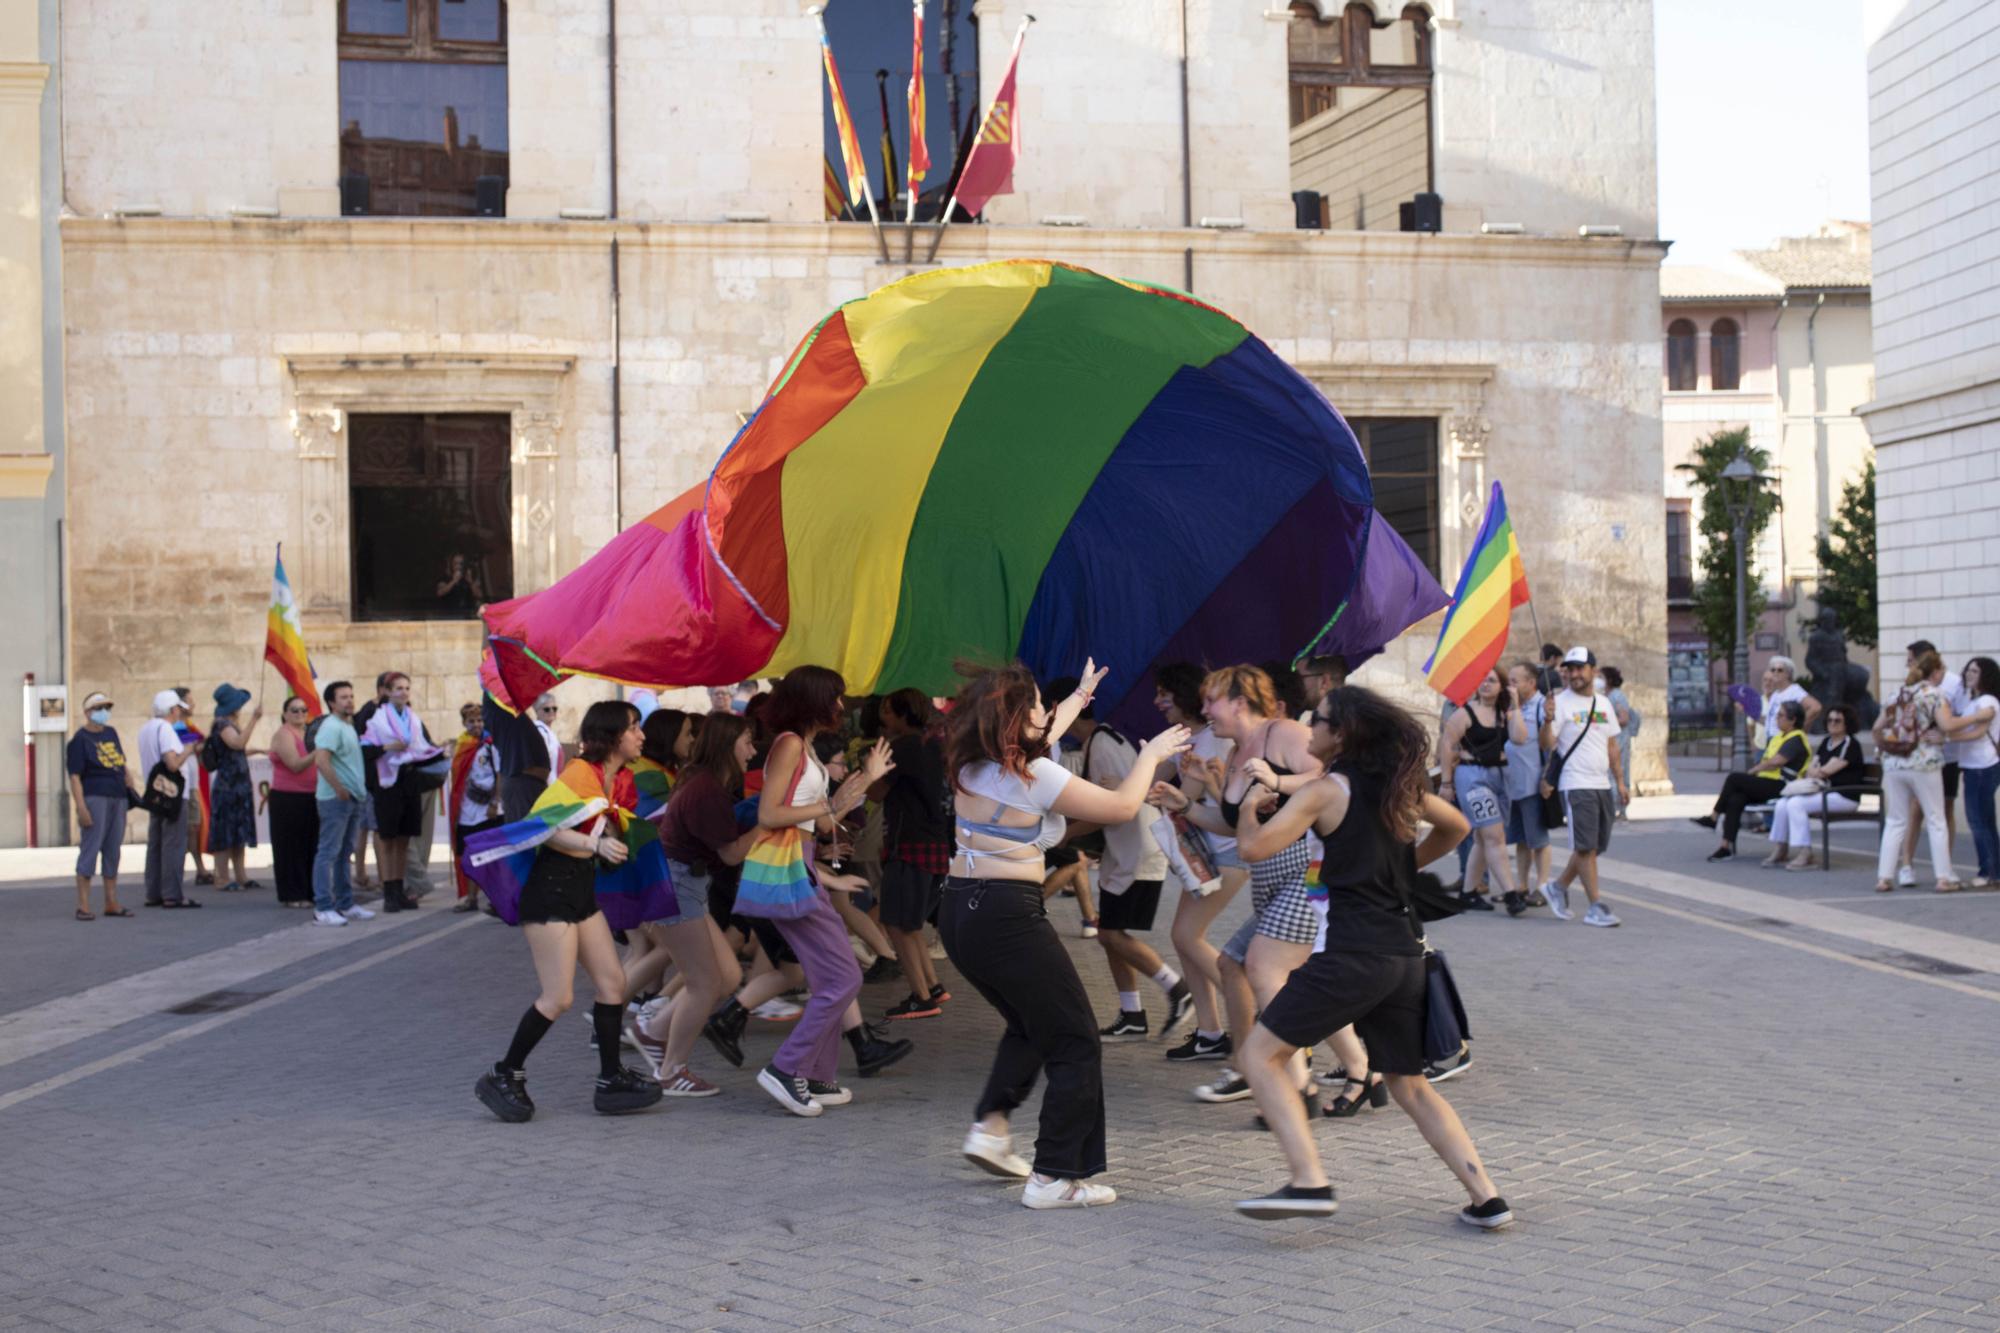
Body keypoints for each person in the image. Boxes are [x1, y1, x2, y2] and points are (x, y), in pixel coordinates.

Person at [1230, 685, 1511, 1230]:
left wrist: (1248, 809)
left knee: (1258, 1056)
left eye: (1320, 720)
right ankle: (1488, 1197)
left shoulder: (1323, 791)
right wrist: (1405, 871)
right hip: (1404, 955)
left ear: (1343, 733)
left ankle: (1309, 1180)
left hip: (1351, 955)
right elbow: (1457, 826)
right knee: (1408, 1083)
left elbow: (1252, 849)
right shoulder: (1400, 788)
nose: (1310, 727)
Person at [941, 659, 1190, 1209]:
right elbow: (1123, 807)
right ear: (1015, 720)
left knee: (1032, 1025)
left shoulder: (974, 764)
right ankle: (1055, 1175)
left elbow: (1045, 732)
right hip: (1006, 916)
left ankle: (991, 1126)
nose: (1043, 713)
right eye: (1034, 704)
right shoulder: (1036, 777)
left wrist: (1078, 696)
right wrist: (1149, 756)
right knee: (1076, 1037)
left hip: (961, 913)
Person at [472, 701, 666, 1122]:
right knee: (558, 997)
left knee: (613, 984)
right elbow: (545, 828)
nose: (641, 736)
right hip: (550, 894)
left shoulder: (616, 779)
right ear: (614, 735)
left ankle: (610, 1079)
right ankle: (503, 1074)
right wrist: (595, 845)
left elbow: (605, 825)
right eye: (635, 728)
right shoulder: (580, 773)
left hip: (580, 893)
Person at [1149, 666, 1328, 1110]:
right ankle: (1261, 1066)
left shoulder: (1282, 733)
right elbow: (1229, 826)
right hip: (1269, 877)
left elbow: (1327, 776)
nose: (1204, 709)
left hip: (1308, 872)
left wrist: (1277, 780)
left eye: (1211, 700)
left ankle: (1296, 1085)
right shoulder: (1234, 753)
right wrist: (1185, 804)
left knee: (1265, 971)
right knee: (1233, 965)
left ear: (1240, 701)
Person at [750, 666, 899, 1117]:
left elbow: (820, 816)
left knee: (833, 974)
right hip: (786, 869)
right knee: (844, 977)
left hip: (801, 866)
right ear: (813, 699)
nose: (840, 706)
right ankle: (786, 1068)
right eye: (834, 697)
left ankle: (816, 1074)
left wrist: (865, 779)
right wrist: (841, 799)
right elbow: (770, 812)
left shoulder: (804, 747)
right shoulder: (790, 744)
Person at [1048, 674, 1193, 1044]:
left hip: (1137, 854)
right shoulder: (1101, 740)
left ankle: (1176, 988)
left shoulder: (1104, 745)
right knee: (1109, 935)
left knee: (1112, 933)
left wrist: (1065, 833)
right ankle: (1132, 1014)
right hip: (1125, 853)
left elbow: (1116, 808)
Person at [643, 712, 760, 1095]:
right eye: (747, 741)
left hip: (683, 886)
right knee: (705, 983)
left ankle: (654, 1034)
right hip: (677, 887)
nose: (752, 750)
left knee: (726, 977)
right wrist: (770, 822)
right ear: (728, 745)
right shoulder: (706, 788)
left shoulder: (704, 780)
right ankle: (671, 1071)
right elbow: (730, 854)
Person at [1153, 662, 1249, 1063]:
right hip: (1206, 857)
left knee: (1189, 936)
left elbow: (1178, 794)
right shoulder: (1193, 739)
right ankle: (1210, 1033)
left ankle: (1254, 1011)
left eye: (1164, 694)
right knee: (1182, 936)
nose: (1158, 702)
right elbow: (1149, 780)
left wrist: (1150, 782)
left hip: (1226, 857)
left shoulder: (1210, 742)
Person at [874, 688, 953, 1021]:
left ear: (905, 714)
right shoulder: (935, 744)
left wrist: (871, 768)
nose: (884, 717)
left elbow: (877, 792)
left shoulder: (903, 747)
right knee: (911, 923)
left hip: (910, 844)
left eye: (889, 712)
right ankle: (932, 986)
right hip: (936, 843)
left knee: (896, 922)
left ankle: (921, 997)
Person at [1539, 646, 1628, 927]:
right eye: (1570, 669)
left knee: (1593, 847)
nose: (1575, 674)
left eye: (1580, 668)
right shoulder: (1560, 703)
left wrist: (1621, 781)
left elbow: (1612, 745)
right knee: (1586, 847)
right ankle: (1595, 907)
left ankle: (1558, 887)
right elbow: (1547, 745)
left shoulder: (1603, 704)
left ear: (1593, 670)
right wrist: (1548, 719)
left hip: (1602, 784)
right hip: (1576, 784)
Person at [1876, 650, 1970, 893]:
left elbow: (1878, 727)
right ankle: (1943, 878)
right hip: (1924, 762)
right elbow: (1948, 724)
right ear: (1936, 672)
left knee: (1895, 820)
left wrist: (1885, 747)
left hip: (1895, 763)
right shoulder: (1933, 694)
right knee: (1936, 819)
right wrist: (1975, 717)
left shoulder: (1896, 693)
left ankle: (1884, 877)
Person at [1439, 668, 1529, 910]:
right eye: (1482, 680)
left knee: (1482, 837)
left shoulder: (1504, 714)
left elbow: (1520, 738)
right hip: (1473, 777)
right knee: (1494, 836)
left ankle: (1468, 893)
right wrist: (1446, 783)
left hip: (1500, 776)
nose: (1486, 684)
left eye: (1492, 680)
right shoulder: (1465, 713)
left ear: (1501, 685)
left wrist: (1515, 706)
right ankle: (1511, 895)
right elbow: (1447, 744)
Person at [360, 672, 442, 913]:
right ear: (386, 691)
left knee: (404, 839)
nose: (404, 692)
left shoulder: (413, 718)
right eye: (398, 688)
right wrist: (387, 747)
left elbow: (422, 745)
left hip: (409, 781)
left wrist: (436, 753)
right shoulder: (376, 718)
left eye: (407, 688)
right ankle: (389, 892)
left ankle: (399, 888)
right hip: (387, 783)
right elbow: (364, 748)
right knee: (388, 840)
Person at [1693, 700, 1810, 862]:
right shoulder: (1779, 737)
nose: (1777, 718)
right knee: (1736, 799)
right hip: (1767, 783)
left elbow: (1778, 761)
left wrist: (1756, 769)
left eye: (1781, 715)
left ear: (1793, 720)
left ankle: (1714, 817)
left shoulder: (1796, 738)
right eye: (1777, 715)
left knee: (1734, 778)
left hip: (1782, 785)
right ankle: (1725, 846)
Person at [1764, 704, 1867, 870]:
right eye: (1830, 720)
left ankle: (1805, 852)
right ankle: (1780, 847)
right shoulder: (1826, 741)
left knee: (1796, 804)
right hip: (1825, 792)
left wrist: (1818, 771)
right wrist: (1817, 771)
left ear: (1847, 723)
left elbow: (1826, 771)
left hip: (1844, 796)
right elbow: (1811, 769)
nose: (1832, 723)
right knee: (1783, 804)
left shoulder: (1850, 744)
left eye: (1837, 720)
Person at [66, 691, 139, 919]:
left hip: (117, 795)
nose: (103, 713)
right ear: (87, 712)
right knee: (90, 847)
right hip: (95, 796)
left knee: (113, 848)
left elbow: (120, 760)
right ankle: (83, 905)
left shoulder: (111, 733)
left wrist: (129, 779)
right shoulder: (79, 741)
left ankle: (111, 901)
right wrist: (81, 807)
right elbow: (75, 777)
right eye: (98, 708)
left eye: (106, 708)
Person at [310, 681, 376, 927]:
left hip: (353, 798)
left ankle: (345, 903)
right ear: (331, 703)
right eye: (343, 697)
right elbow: (322, 760)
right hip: (335, 800)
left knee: (344, 853)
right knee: (328, 852)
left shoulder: (347, 726)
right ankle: (323, 907)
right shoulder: (330, 727)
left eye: (351, 695)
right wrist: (338, 788)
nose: (349, 700)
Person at [139, 688, 201, 909]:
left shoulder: (146, 728)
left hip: (155, 794)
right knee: (173, 843)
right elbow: (172, 763)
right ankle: (172, 894)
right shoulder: (165, 729)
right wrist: (189, 750)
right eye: (178, 709)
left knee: (156, 844)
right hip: (173, 795)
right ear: (173, 709)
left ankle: (153, 892)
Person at [1502, 662, 1552, 911]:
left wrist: (1548, 777)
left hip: (1534, 783)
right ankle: (1521, 884)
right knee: (1521, 839)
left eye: (1515, 681)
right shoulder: (1516, 707)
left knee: (1538, 840)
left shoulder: (1542, 706)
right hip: (1515, 785)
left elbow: (1549, 745)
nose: (1510, 686)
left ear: (1531, 683)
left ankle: (1542, 886)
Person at [203, 684, 263, 892]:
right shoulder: (222, 725)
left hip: (238, 785)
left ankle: (241, 875)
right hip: (228, 786)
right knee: (225, 832)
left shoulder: (228, 724)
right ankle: (222, 877)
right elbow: (237, 743)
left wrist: (259, 750)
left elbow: (236, 752)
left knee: (238, 832)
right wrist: (254, 720)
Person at [266, 696, 322, 907]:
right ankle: (292, 894)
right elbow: (295, 765)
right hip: (288, 797)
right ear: (285, 714)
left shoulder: (309, 733)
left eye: (303, 710)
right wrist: (319, 751)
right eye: (294, 710)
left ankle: (309, 891)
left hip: (311, 795)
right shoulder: (283, 735)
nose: (300, 714)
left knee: (311, 846)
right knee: (291, 847)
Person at [1951, 658, 2000, 887]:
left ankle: (1987, 871)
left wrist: (1947, 736)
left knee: (1978, 820)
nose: (1969, 674)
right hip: (1977, 766)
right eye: (1968, 669)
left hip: (1982, 766)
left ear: (1986, 675)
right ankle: (1994, 870)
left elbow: (1978, 733)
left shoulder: (1987, 701)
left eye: (1975, 671)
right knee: (1986, 821)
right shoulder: (1975, 700)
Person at [451, 706, 501, 912]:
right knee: (469, 855)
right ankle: (470, 897)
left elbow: (500, 776)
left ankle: (497, 898)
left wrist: (494, 803)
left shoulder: (491, 746)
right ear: (464, 723)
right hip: (467, 810)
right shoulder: (461, 746)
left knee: (491, 855)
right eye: (472, 721)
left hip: (487, 810)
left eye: (480, 720)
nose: (477, 725)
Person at [483, 691, 552, 821]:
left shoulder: (514, 715)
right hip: (521, 787)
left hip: (529, 786)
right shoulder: (501, 710)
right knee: (524, 837)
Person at [1601, 666, 1640, 815]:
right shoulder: (1607, 696)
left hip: (1619, 740)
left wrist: (1605, 720)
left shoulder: (1617, 696)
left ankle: (1621, 808)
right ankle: (1614, 807)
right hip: (1612, 738)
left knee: (1619, 772)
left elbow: (1624, 718)